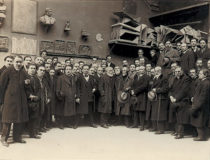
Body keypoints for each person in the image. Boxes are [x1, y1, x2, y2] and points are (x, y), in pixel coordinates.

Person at [0, 56, 29, 147]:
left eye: (20, 62)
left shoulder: (23, 72)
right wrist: (1, 101)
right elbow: (1, 86)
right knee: (7, 120)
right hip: (9, 100)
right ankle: (4, 138)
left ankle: (17, 137)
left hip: (20, 100)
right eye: (17, 62)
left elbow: (27, 85)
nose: (18, 64)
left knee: (19, 119)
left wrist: (27, 83)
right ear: (14, 62)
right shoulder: (7, 71)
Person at [169, 67, 191, 139]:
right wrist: (171, 96)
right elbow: (171, 89)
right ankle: (177, 131)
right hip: (175, 100)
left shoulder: (186, 79)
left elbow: (184, 91)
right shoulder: (175, 79)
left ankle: (180, 133)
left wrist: (176, 98)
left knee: (181, 117)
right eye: (176, 71)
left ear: (182, 71)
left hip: (182, 100)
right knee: (176, 116)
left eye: (179, 71)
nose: (177, 72)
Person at [190, 69, 210, 141]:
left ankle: (202, 137)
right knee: (198, 121)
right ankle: (200, 136)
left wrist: (197, 106)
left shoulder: (206, 83)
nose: (199, 74)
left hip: (202, 106)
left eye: (201, 74)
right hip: (198, 104)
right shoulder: (202, 82)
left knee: (200, 121)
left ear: (205, 75)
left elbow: (203, 97)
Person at [150, 66, 169, 134]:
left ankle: (161, 129)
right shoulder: (155, 78)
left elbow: (166, 89)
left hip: (161, 98)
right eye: (155, 70)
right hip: (155, 98)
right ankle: (155, 127)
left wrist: (157, 90)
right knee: (155, 113)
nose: (155, 72)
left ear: (159, 71)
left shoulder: (164, 78)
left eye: (156, 70)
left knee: (160, 114)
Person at [25, 63, 41, 139]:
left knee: (34, 118)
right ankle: (21, 134)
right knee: (24, 118)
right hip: (26, 101)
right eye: (31, 68)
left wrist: (37, 97)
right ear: (28, 69)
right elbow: (23, 88)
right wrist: (29, 95)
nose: (33, 70)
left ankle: (32, 133)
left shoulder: (36, 78)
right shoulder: (24, 77)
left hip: (35, 101)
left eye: (34, 68)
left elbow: (39, 89)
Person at [130, 66, 149, 130]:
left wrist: (135, 91)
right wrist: (132, 90)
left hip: (142, 95)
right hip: (135, 95)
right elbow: (132, 85)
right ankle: (135, 124)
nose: (140, 70)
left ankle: (142, 125)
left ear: (144, 70)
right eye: (140, 69)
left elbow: (144, 86)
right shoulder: (136, 76)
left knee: (141, 111)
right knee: (135, 110)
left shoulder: (146, 77)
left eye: (142, 69)